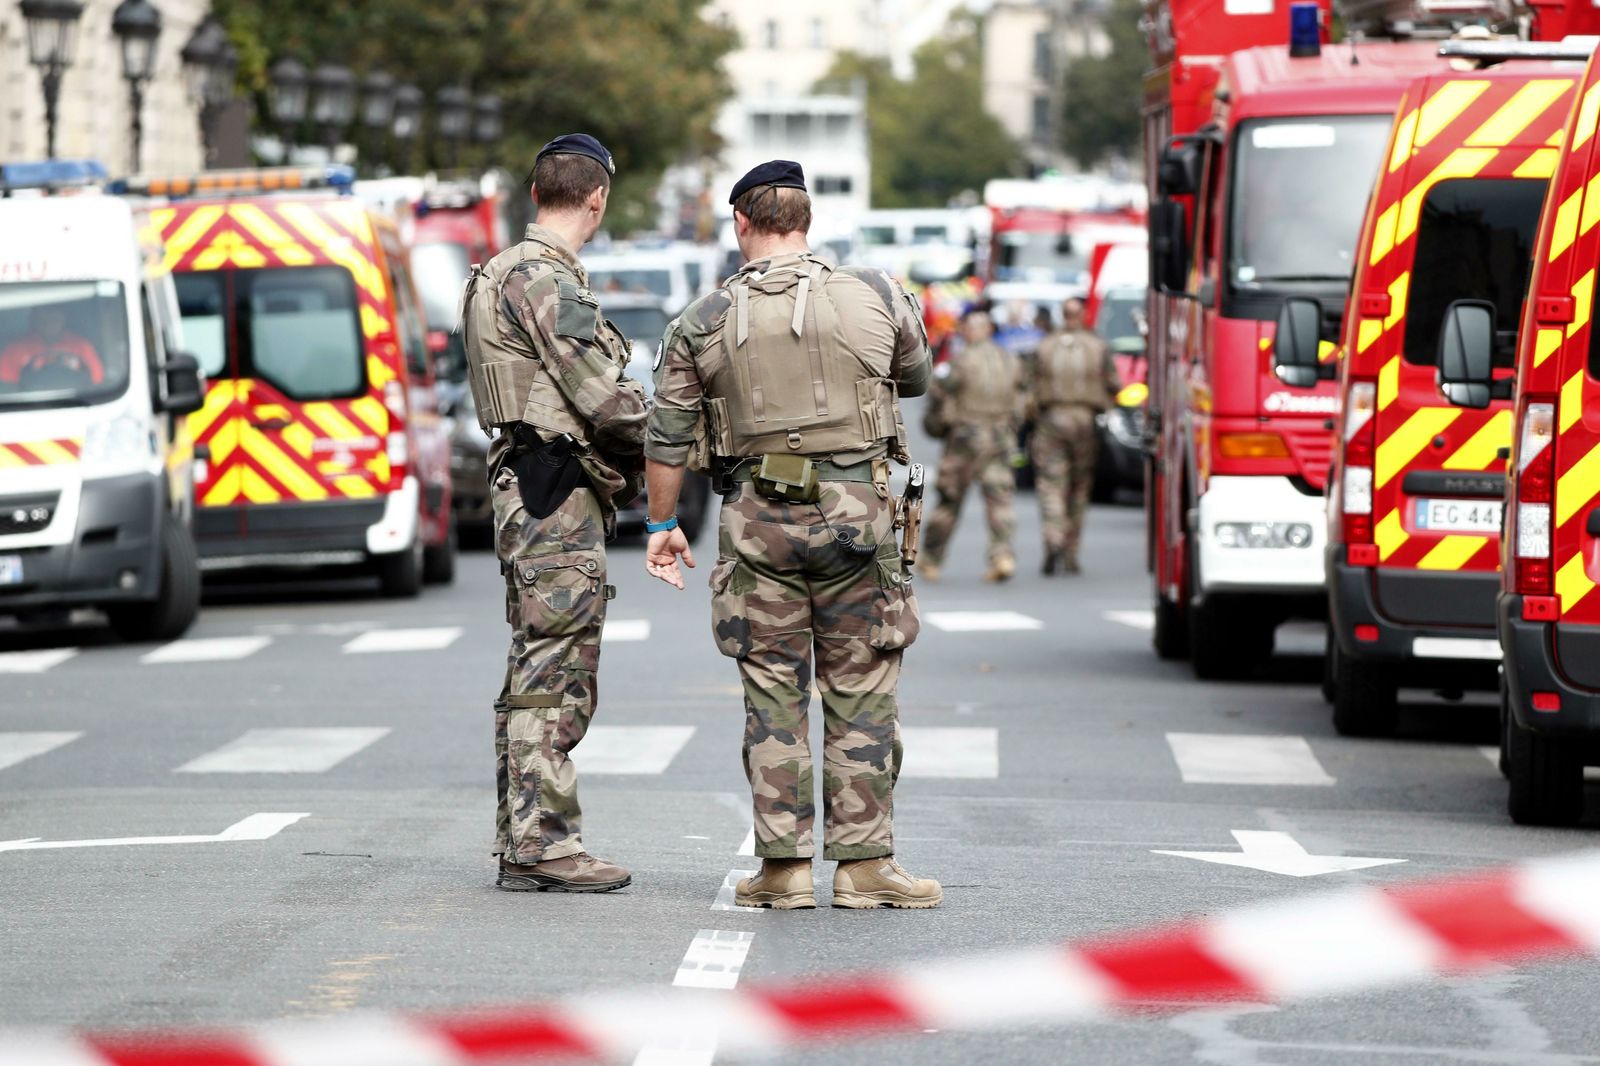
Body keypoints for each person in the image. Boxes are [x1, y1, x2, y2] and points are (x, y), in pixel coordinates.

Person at [642, 160, 941, 910]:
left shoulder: (702, 318)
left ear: (741, 223)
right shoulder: (874, 292)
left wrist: (660, 524)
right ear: (808, 222)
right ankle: (865, 866)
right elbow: (917, 376)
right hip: (858, 518)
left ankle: (783, 870)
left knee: (771, 691)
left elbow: (668, 433)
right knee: (862, 685)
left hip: (755, 522)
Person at [460, 134, 649, 893]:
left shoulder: (500, 271)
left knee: (534, 666)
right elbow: (604, 398)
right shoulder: (545, 280)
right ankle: (544, 847)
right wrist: (682, 441)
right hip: (553, 487)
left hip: (528, 481)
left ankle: (524, 840)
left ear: (538, 192)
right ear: (596, 200)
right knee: (556, 668)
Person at [918, 308, 1025, 583]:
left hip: (965, 437)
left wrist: (938, 426)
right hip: (1000, 436)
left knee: (949, 499)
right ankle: (1003, 555)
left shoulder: (961, 361)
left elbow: (940, 396)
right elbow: (1024, 398)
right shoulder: (1010, 360)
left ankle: (931, 559)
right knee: (1000, 499)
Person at [1032, 296, 1119, 575]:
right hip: (1085, 421)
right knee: (1079, 488)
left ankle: (1053, 537)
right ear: (1083, 314)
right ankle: (1070, 550)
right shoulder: (1098, 346)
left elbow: (1028, 387)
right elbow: (1114, 384)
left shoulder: (1044, 346)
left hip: (1051, 419)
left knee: (1050, 484)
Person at [0, 305, 105, 387]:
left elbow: (96, 380)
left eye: (54, 319)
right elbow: (6, 385)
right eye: (43, 321)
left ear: (63, 319)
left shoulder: (82, 346)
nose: (48, 324)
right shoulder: (15, 349)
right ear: (33, 320)